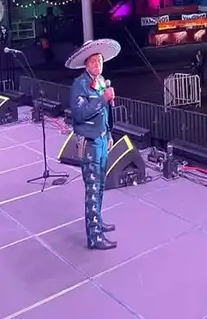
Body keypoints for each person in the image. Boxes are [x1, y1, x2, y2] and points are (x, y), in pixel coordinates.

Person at [67, 38, 122, 251]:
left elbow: (105, 114)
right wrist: (102, 99)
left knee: (100, 186)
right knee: (92, 189)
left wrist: (109, 134)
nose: (97, 65)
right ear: (86, 64)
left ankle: (97, 221)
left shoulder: (101, 81)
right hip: (88, 143)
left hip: (100, 140)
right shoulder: (79, 85)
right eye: (93, 62)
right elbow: (79, 115)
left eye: (100, 61)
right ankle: (94, 236)